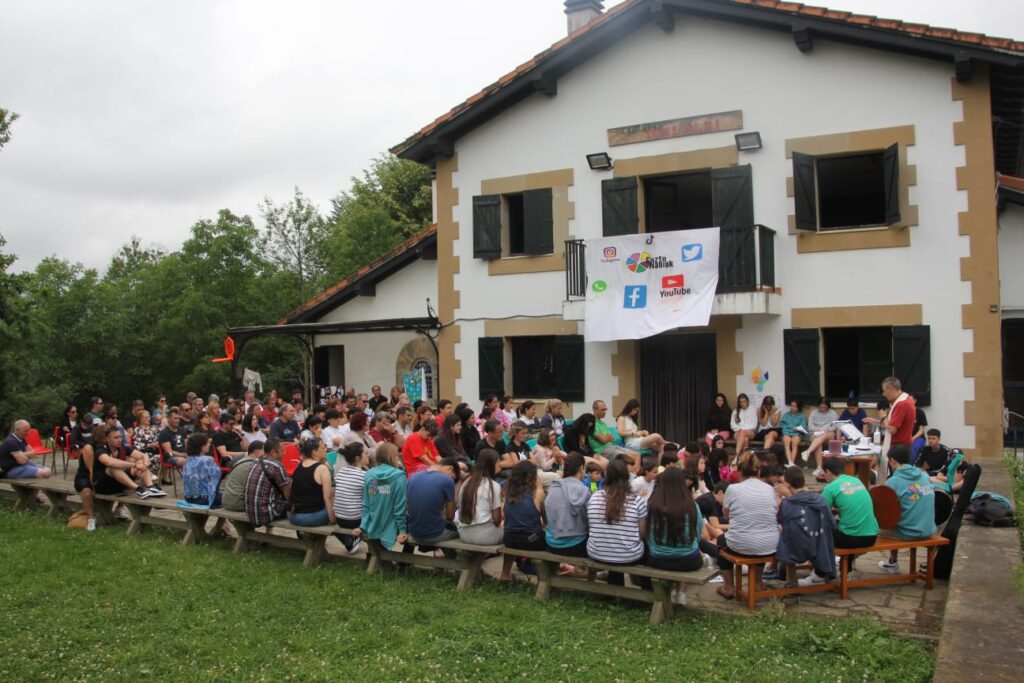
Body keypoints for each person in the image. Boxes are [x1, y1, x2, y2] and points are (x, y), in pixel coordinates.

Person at [714, 450, 779, 599]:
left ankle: (729, 586)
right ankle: (757, 582)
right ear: (758, 471)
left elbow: (726, 514)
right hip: (770, 544)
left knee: (721, 540)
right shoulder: (769, 489)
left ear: (739, 470)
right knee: (760, 537)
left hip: (742, 543)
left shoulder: (733, 489)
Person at [647, 467, 707, 603]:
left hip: (657, 559)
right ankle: (680, 592)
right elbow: (697, 532)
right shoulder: (691, 505)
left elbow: (648, 533)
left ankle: (671, 591)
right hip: (688, 561)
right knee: (689, 551)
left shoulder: (653, 504)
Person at [585, 459, 647, 586]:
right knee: (644, 549)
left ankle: (613, 591)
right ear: (626, 476)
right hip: (629, 556)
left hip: (597, 552)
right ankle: (647, 590)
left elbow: (592, 525)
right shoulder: (637, 501)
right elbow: (643, 533)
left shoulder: (594, 497)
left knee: (615, 545)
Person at [879, 444, 936, 573]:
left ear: (892, 460)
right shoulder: (924, 476)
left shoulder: (893, 482)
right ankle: (892, 562)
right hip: (928, 528)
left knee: (871, 526)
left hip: (908, 532)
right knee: (900, 514)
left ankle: (849, 561)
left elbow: (882, 510)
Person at [775, 467, 836, 587]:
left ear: (787, 483)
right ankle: (824, 575)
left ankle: (792, 581)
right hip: (820, 545)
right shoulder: (820, 500)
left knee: (785, 536)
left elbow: (779, 520)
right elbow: (831, 522)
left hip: (796, 547)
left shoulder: (787, 503)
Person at [819, 458, 878, 574]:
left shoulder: (830, 488)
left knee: (819, 531)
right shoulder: (857, 481)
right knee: (849, 524)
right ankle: (847, 568)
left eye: (823, 473)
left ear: (828, 472)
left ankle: (819, 573)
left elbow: (820, 513)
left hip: (851, 539)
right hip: (872, 536)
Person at [500, 460, 547, 581]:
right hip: (532, 540)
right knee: (546, 537)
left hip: (509, 539)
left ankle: (505, 573)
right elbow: (547, 521)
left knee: (512, 533)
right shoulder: (538, 492)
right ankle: (544, 577)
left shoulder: (507, 491)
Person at [91, 425, 164, 499]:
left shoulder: (122, 448)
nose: (119, 440)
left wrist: (144, 464)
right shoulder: (101, 450)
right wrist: (134, 465)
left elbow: (143, 455)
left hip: (120, 483)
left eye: (120, 437)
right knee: (114, 467)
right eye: (116, 438)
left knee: (140, 461)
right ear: (107, 439)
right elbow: (110, 462)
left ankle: (150, 487)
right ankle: (138, 489)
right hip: (103, 486)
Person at [359, 443, 409, 551]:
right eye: (397, 455)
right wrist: (402, 530)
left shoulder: (369, 474)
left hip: (372, 524)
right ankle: (404, 565)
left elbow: (366, 504)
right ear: (392, 457)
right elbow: (399, 508)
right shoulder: (400, 477)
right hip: (391, 526)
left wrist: (363, 525)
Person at [406, 456, 461, 549]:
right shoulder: (447, 481)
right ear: (450, 468)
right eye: (452, 477)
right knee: (461, 531)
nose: (452, 480)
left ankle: (404, 562)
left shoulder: (413, 476)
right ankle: (446, 559)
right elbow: (450, 517)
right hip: (433, 535)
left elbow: (408, 507)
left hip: (414, 532)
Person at [543, 452, 591, 558]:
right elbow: (589, 521)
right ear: (581, 468)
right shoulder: (583, 490)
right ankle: (582, 571)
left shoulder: (552, 488)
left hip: (552, 544)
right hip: (576, 546)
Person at [456, 449, 503, 546]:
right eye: (498, 463)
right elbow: (497, 519)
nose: (500, 466)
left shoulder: (466, 482)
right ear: (491, 465)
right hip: (485, 536)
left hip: (464, 534)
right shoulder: (493, 486)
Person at [243, 436, 292, 527]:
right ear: (273, 452)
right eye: (282, 451)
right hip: (265, 514)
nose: (285, 453)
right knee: (297, 507)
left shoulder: (254, 462)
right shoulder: (277, 466)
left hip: (250, 511)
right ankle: (304, 535)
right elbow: (288, 495)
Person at [287, 437, 335, 527]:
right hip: (310, 516)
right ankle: (350, 540)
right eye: (323, 447)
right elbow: (327, 497)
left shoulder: (300, 464)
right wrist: (332, 519)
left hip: (292, 515)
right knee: (339, 509)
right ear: (314, 452)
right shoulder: (322, 469)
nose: (326, 449)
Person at [333, 443, 367, 553]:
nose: (368, 455)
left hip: (340, 518)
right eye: (365, 453)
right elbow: (375, 495)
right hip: (355, 519)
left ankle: (350, 542)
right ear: (358, 458)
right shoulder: (364, 475)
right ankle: (359, 539)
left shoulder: (340, 472)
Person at [222, 440, 268, 512]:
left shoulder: (241, 461)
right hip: (237, 503)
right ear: (257, 452)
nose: (266, 455)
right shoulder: (254, 465)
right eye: (264, 451)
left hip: (227, 500)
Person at [182, 432, 222, 507]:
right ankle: (222, 518)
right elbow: (216, 481)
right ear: (201, 446)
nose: (209, 445)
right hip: (204, 499)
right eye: (207, 443)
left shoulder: (187, 460)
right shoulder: (208, 460)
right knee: (230, 499)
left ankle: (222, 519)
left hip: (188, 498)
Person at [801, 398, 839, 471]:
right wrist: (817, 430)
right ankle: (819, 467)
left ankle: (808, 452)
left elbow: (835, 426)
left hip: (828, 434)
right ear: (818, 406)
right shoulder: (813, 413)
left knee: (824, 435)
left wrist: (826, 430)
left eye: (825, 407)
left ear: (828, 406)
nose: (823, 409)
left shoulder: (833, 413)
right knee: (818, 441)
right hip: (816, 433)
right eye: (821, 407)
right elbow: (810, 426)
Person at [780, 400, 807, 467]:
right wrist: (786, 432)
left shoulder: (802, 416)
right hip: (787, 432)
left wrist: (797, 428)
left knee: (794, 443)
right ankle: (790, 462)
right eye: (791, 406)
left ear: (798, 408)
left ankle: (792, 462)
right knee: (787, 442)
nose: (791, 407)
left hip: (797, 433)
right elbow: (782, 425)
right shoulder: (786, 415)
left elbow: (803, 426)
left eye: (794, 406)